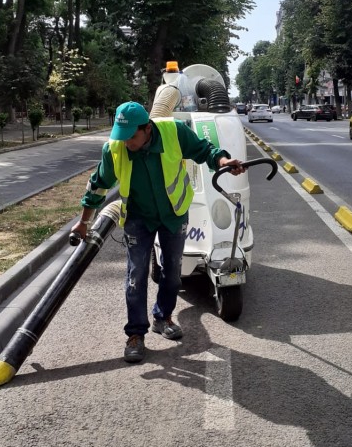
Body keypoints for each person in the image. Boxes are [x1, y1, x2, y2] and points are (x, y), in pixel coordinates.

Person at [72, 101, 245, 363]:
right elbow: (98, 185)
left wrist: (223, 160)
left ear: (147, 129)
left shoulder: (174, 132)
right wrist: (84, 222)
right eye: (122, 136)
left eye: (132, 136)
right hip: (138, 218)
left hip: (173, 214)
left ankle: (162, 318)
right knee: (136, 275)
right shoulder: (115, 148)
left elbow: (203, 150)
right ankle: (135, 334)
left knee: (172, 271)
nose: (126, 142)